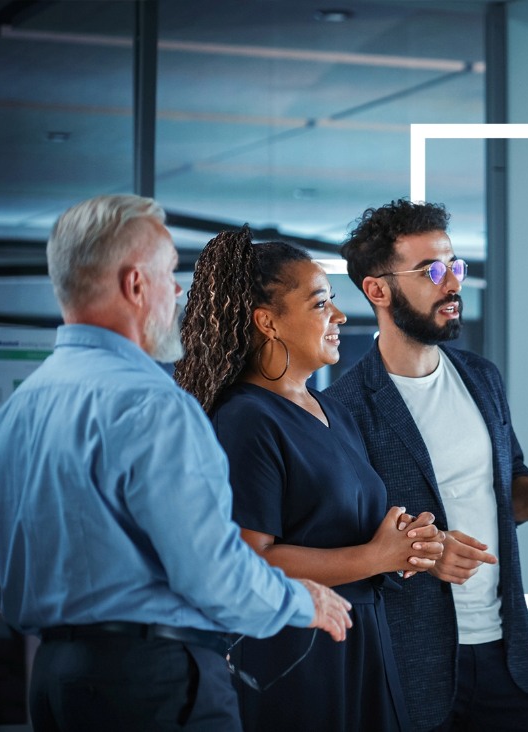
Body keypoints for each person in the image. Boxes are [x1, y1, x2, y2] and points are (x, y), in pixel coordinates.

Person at [0, 195, 353, 732]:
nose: (177, 292)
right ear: (134, 285)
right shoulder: (152, 404)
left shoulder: (15, 414)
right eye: (167, 273)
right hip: (153, 685)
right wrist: (302, 601)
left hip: (54, 683)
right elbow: (212, 570)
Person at [326, 199, 528, 732]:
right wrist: (423, 557)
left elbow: (509, 490)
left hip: (504, 657)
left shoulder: (482, 378)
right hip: (411, 666)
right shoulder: (345, 407)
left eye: (455, 266)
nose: (452, 283)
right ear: (378, 290)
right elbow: (344, 544)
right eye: (431, 271)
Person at [174, 226, 445, 731]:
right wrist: (373, 556)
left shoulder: (330, 410)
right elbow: (250, 559)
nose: (340, 316)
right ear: (268, 322)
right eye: (321, 304)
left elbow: (340, 527)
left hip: (361, 641)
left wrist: (405, 546)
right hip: (297, 657)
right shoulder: (246, 420)